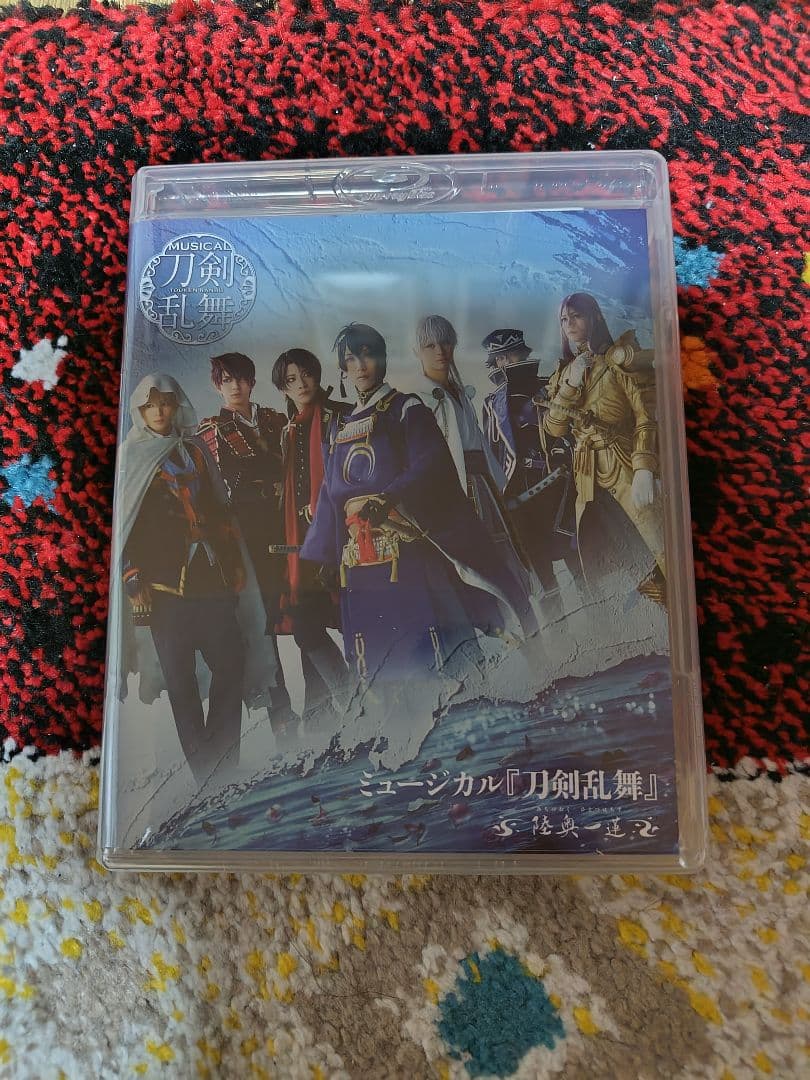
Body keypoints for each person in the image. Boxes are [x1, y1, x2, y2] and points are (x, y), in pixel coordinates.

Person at [300, 323, 533, 699]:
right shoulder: (340, 428)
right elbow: (330, 493)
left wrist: (389, 498)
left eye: (368, 356)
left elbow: (431, 463)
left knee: (438, 637)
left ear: (383, 360)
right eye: (352, 359)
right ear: (343, 369)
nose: (361, 366)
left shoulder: (406, 409)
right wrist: (322, 555)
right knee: (379, 653)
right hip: (360, 561)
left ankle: (481, 700)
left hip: (409, 548)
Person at [119, 373, 246, 784]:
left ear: (176, 405)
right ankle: (206, 775)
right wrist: (132, 577)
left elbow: (220, 508)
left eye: (165, 402)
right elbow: (122, 524)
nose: (159, 411)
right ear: (140, 411)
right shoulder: (131, 457)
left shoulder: (195, 450)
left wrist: (233, 561)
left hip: (210, 577)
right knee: (181, 683)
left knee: (231, 664)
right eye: (150, 404)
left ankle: (223, 763)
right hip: (164, 589)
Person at [410, 314, 538, 629]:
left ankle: (531, 631)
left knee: (508, 559)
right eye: (430, 345)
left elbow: (480, 443)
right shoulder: (416, 400)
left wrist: (500, 487)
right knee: (479, 572)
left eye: (445, 342)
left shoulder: (458, 390)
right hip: (453, 494)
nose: (440, 351)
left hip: (485, 487)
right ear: (417, 352)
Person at [197, 352, 297, 738]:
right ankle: (282, 715)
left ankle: (322, 704)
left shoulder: (276, 419)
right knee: (263, 623)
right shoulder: (212, 431)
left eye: (240, 379)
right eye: (226, 380)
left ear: (252, 382)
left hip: (289, 525)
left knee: (306, 611)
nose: (234, 386)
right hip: (249, 538)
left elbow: (295, 469)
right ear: (216, 386)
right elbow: (218, 490)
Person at [542, 292, 665, 603]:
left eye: (576, 316)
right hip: (586, 477)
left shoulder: (618, 359)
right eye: (564, 319)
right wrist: (570, 383)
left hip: (623, 465)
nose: (569, 324)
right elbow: (554, 428)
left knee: (657, 548)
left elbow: (646, 416)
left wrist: (644, 468)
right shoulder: (565, 372)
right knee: (613, 560)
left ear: (594, 317)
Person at [271, 348, 351, 728]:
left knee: (351, 621)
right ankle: (335, 706)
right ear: (283, 388)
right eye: (291, 379)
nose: (301, 384)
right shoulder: (288, 430)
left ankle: (349, 703)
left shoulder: (340, 415)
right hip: (303, 545)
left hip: (343, 535)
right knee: (307, 625)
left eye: (305, 374)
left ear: (317, 375)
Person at [481, 328, 580, 608]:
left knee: (578, 555)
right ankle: (558, 628)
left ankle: (602, 616)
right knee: (541, 571)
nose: (508, 361)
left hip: (560, 486)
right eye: (502, 357)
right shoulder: (492, 404)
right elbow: (494, 451)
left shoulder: (549, 385)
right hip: (520, 494)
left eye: (513, 354)